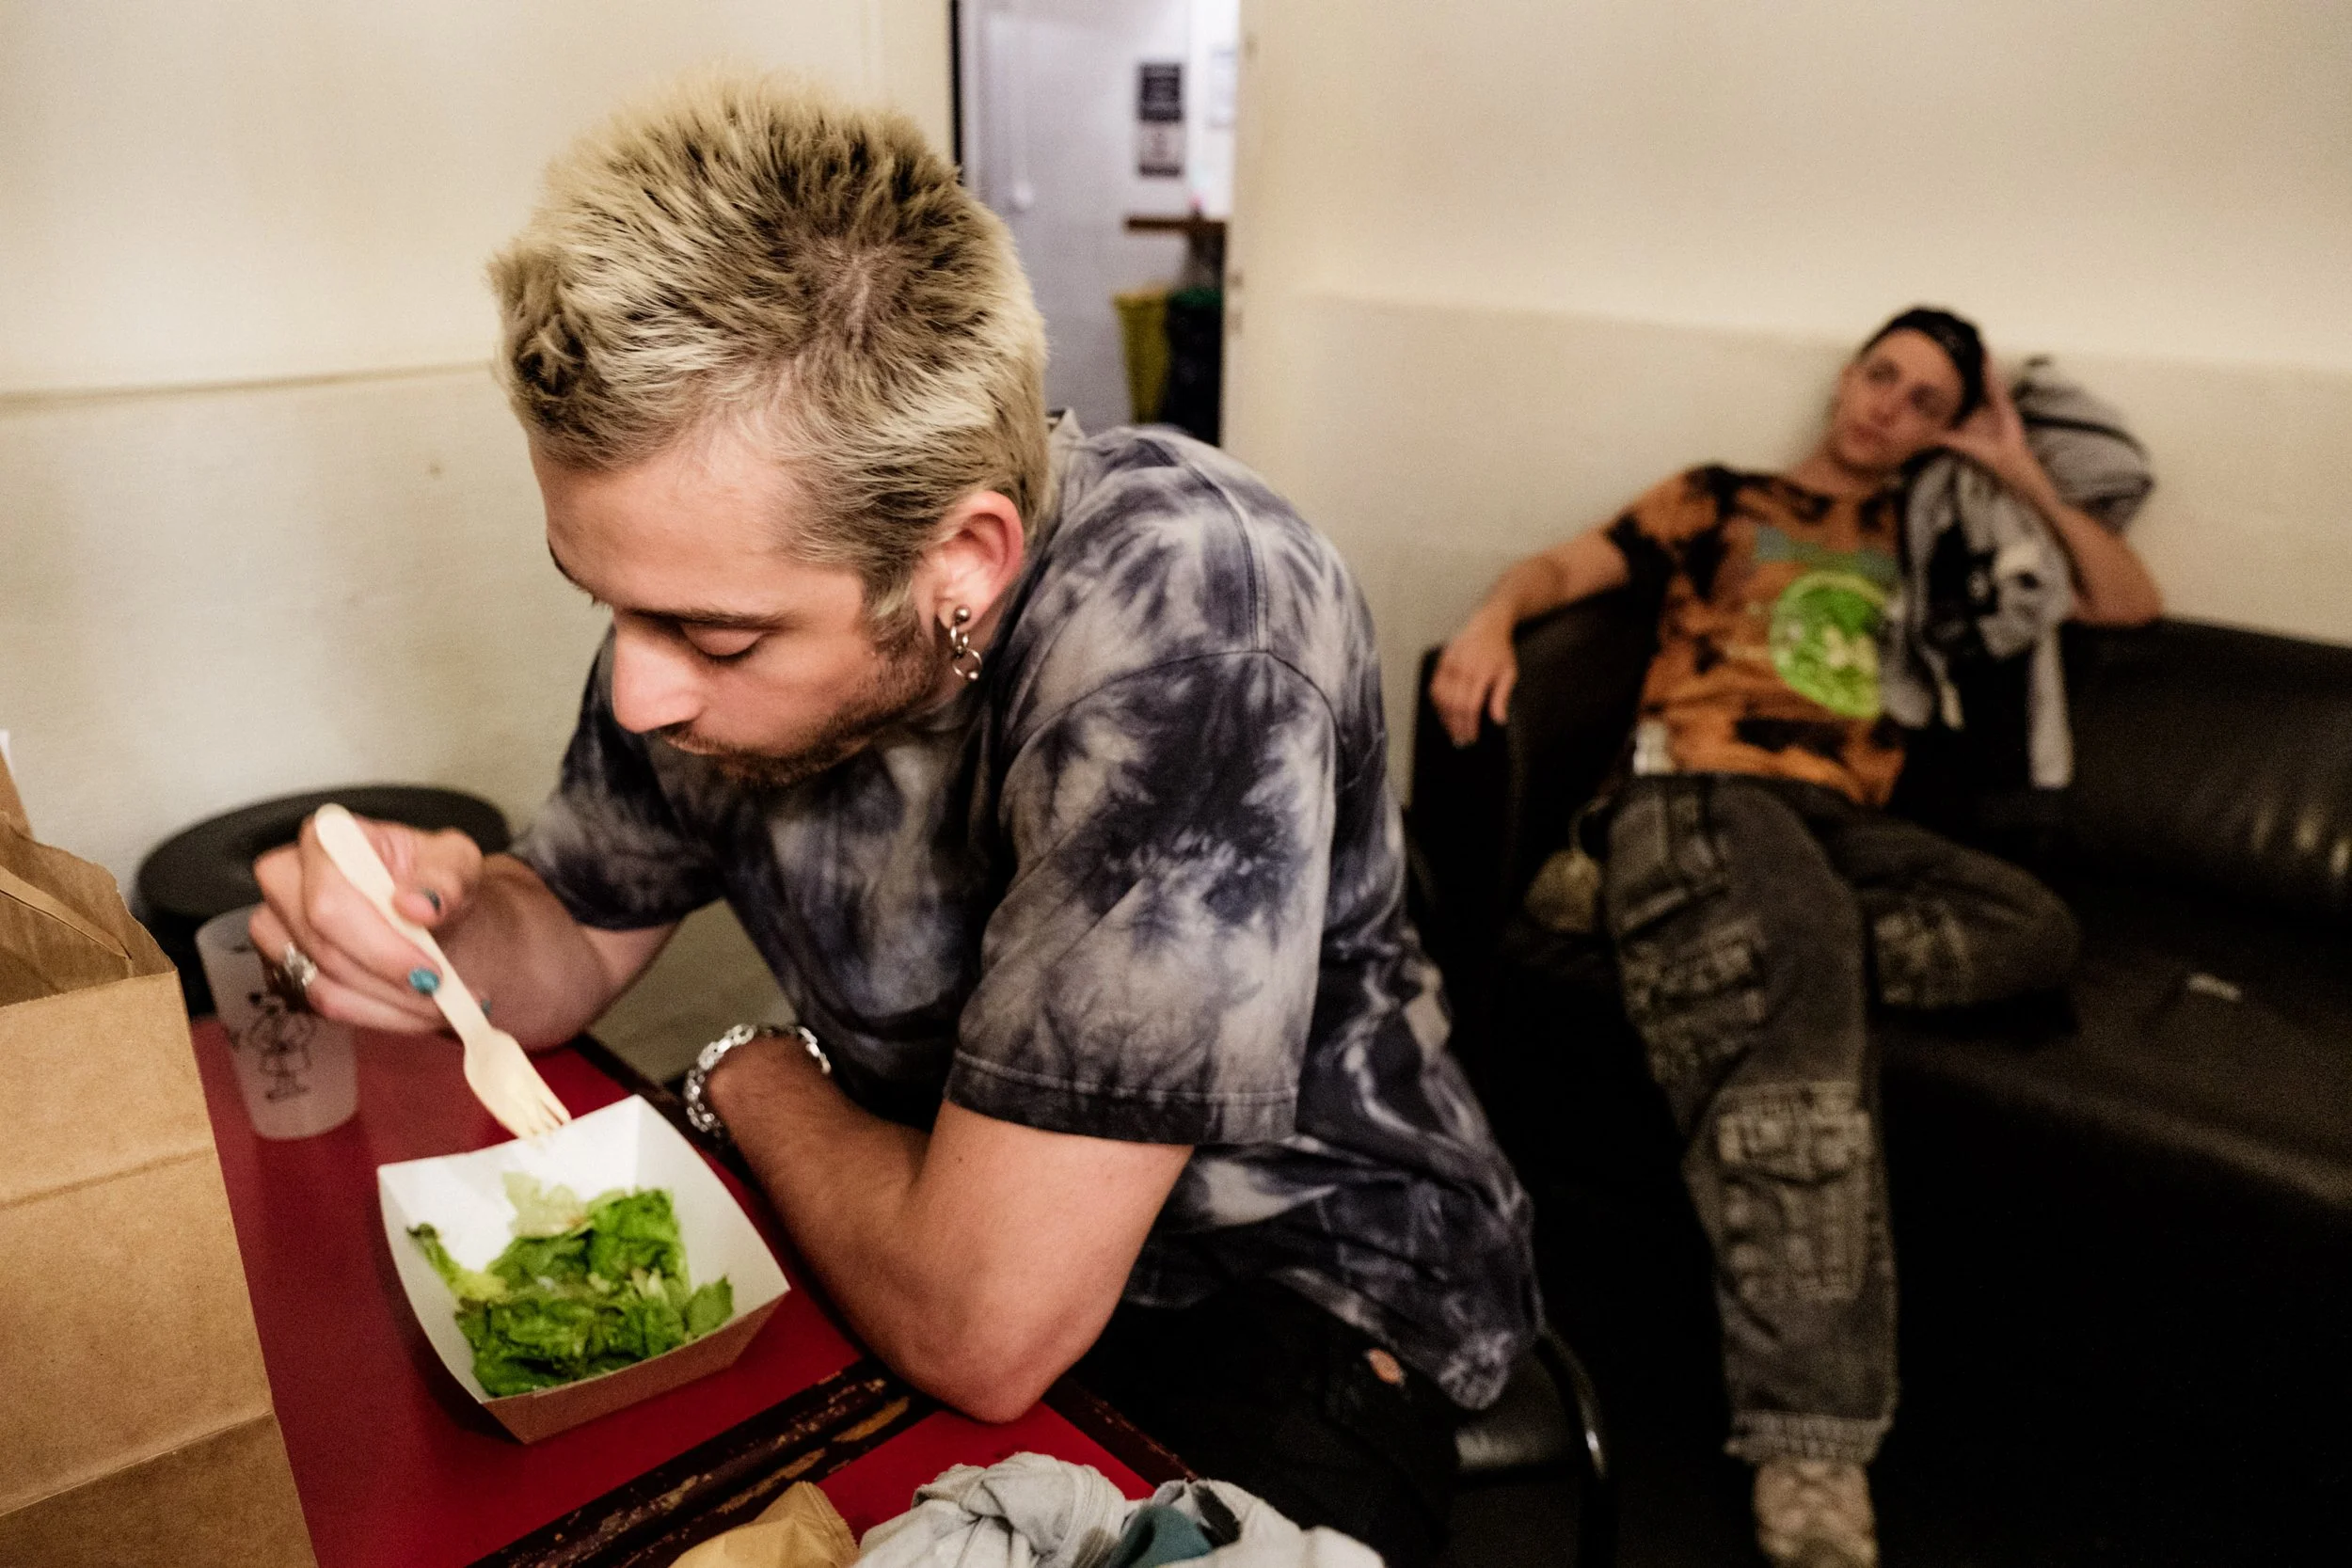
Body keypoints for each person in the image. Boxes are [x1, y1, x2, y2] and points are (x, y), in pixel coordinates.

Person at [250, 75, 1537, 1566]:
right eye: (604, 604)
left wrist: (744, 1070)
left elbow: (987, 1326)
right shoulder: (702, 614)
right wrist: (433, 921)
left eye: (713, 637)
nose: (639, 688)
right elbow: (566, 945)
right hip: (929, 1216)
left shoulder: (1189, 616)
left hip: (1296, 1277)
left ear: (964, 564)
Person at [1428, 308, 2161, 1568]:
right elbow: (1559, 572)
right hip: (1696, 789)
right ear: (1848, 374)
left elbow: (2127, 603)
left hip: (1832, 832)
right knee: (1799, 994)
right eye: (1882, 374)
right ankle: (1810, 1443)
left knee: (2032, 928)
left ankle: (1638, 914)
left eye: (1926, 401)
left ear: (1947, 427)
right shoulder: (1722, 496)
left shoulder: (1931, 538)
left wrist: (2009, 462)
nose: (1888, 407)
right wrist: (1493, 619)